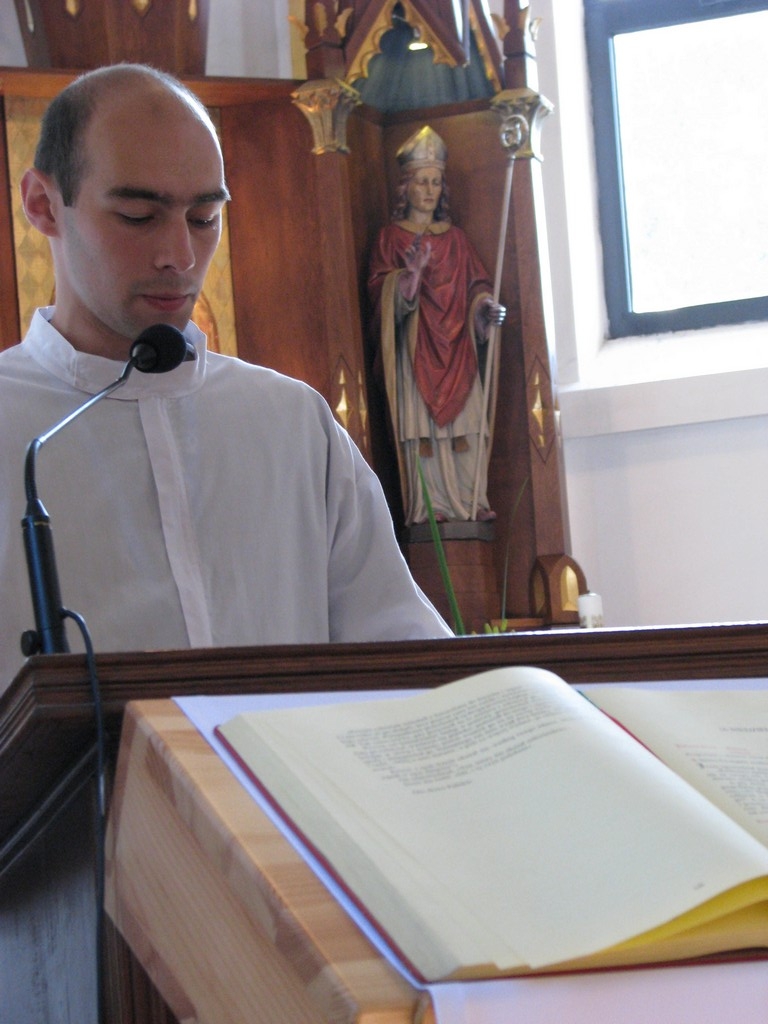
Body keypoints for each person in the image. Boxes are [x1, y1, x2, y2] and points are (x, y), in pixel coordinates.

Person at [0, 64, 452, 692]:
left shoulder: (293, 423)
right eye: (138, 215)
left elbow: (402, 653)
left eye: (204, 218)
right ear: (43, 205)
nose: (180, 257)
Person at [368, 126, 506, 527]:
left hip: (459, 347)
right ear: (405, 187)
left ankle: (469, 500)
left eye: (435, 182)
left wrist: (485, 308)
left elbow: (477, 286)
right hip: (416, 350)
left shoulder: (458, 240)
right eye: (421, 182)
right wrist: (408, 279)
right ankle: (430, 506)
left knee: (467, 428)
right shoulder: (390, 239)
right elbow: (379, 292)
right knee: (422, 433)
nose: (429, 190)